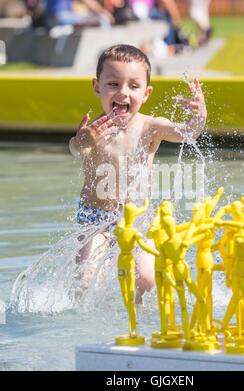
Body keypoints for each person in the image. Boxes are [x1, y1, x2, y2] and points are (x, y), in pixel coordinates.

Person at [69, 44, 207, 302]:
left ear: (146, 93)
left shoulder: (151, 127)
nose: (123, 93)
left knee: (146, 279)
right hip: (95, 218)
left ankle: (134, 323)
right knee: (84, 279)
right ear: (97, 86)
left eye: (133, 86)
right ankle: (81, 320)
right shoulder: (94, 131)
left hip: (137, 220)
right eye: (113, 84)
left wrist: (199, 116)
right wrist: (83, 141)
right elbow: (76, 149)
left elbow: (188, 133)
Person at [44, 0, 114, 29]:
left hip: (48, 20)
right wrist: (104, 13)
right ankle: (109, 51)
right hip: (60, 17)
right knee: (103, 19)